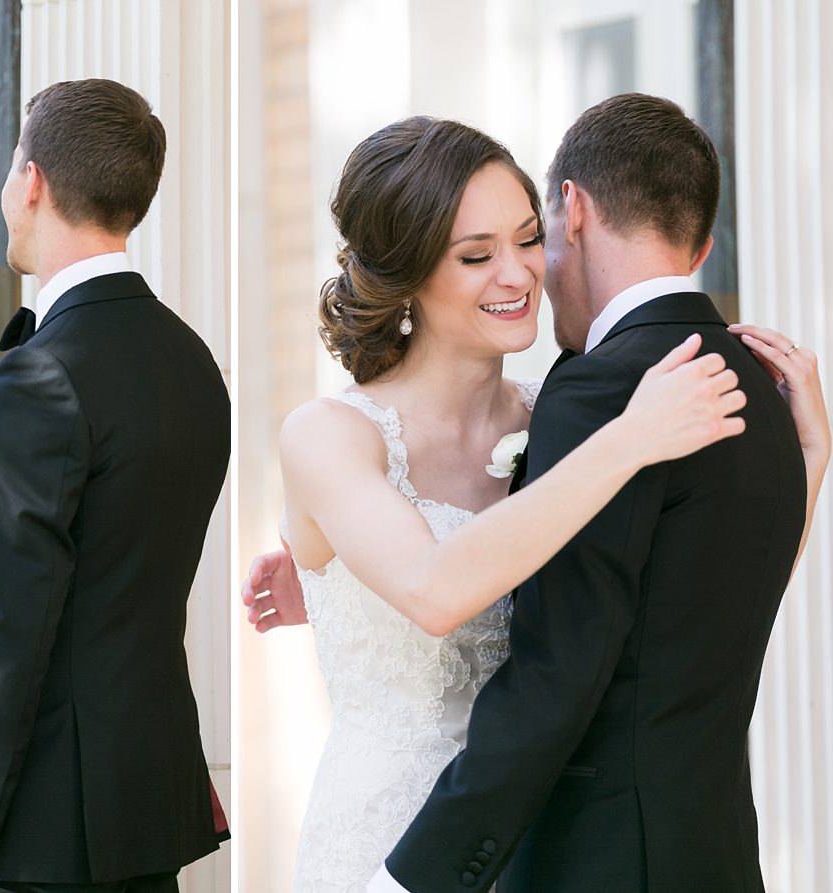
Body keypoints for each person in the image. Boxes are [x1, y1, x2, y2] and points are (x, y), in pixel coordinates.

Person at [242, 100, 826, 893]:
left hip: (547, 843)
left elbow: (681, 605)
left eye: (527, 238)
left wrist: (810, 464)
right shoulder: (330, 433)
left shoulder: (553, 407)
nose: (517, 273)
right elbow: (432, 587)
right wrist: (628, 439)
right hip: (393, 838)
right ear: (410, 271)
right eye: (476, 254)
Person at [0, 78, 231, 893]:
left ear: (32, 181)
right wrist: (10, 502)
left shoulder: (43, 373)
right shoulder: (193, 362)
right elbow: (128, 545)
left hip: (58, 814)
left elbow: (13, 627)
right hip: (145, 798)